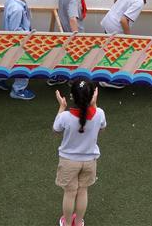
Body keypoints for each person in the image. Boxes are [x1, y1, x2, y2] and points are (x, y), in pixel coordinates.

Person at [53, 81, 106, 226]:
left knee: (70, 193)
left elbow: (56, 129)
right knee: (83, 191)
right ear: (92, 96)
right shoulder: (99, 113)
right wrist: (95, 104)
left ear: (72, 96)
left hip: (69, 162)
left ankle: (67, 223)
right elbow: (102, 128)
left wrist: (61, 107)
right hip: (89, 161)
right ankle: (78, 222)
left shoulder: (65, 116)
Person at [0, 0, 37, 100]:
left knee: (8, 60)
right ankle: (18, 90)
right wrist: (28, 35)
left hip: (10, 40)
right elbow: (15, 31)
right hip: (18, 41)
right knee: (23, 64)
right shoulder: (17, 9)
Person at [47, 0, 90, 87]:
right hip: (73, 31)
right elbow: (72, 18)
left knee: (66, 53)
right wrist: (76, 37)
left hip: (64, 26)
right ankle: (71, 78)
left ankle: (59, 76)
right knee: (76, 55)